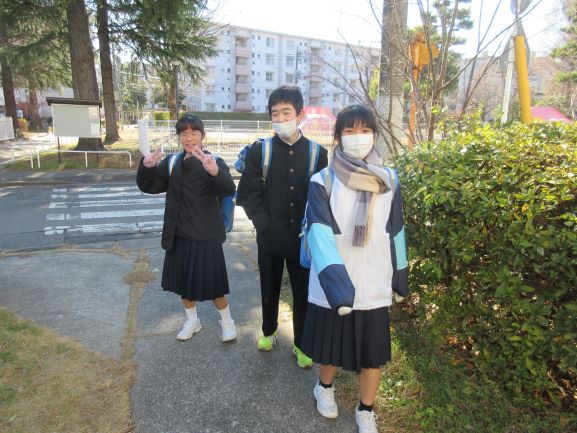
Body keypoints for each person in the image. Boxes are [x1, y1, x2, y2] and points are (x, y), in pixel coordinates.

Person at [300, 105, 409, 433]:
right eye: (349, 131)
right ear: (338, 137)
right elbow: (319, 235)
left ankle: (366, 409)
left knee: (372, 354)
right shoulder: (322, 180)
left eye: (364, 130)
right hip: (334, 285)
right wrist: (339, 289)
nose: (357, 137)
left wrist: (400, 277)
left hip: (374, 281)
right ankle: (324, 388)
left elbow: (396, 230)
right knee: (330, 348)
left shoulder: (389, 179)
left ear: (374, 135)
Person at [236, 85, 328, 368]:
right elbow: (248, 194)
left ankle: (302, 344)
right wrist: (263, 225)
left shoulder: (317, 153)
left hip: (303, 240)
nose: (280, 118)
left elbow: (323, 197)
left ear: (300, 114)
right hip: (269, 236)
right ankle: (269, 331)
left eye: (286, 112)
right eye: (274, 114)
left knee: (303, 293)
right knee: (269, 287)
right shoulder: (260, 151)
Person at [137, 113, 237, 342]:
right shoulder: (173, 162)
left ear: (203, 135)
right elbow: (150, 186)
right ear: (179, 137)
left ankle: (227, 322)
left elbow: (228, 189)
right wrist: (148, 167)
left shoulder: (213, 160)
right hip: (178, 234)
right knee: (183, 285)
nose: (189, 138)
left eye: (194, 133)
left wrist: (214, 172)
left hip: (206, 236)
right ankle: (192, 321)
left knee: (214, 286)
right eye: (184, 134)